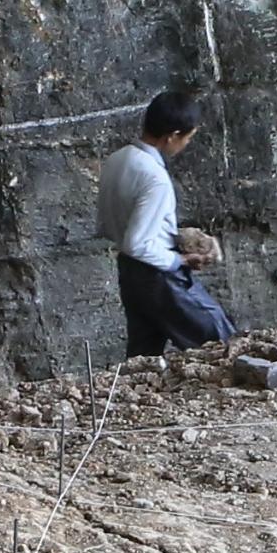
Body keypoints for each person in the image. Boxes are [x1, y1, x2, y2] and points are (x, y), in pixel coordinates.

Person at [98, 90, 235, 357]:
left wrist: (170, 233)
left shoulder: (117, 160)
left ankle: (133, 398)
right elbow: (136, 244)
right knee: (221, 340)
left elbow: (111, 224)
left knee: (144, 355)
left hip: (129, 275)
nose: (185, 145)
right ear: (172, 136)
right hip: (158, 276)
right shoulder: (155, 178)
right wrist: (181, 260)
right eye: (187, 138)